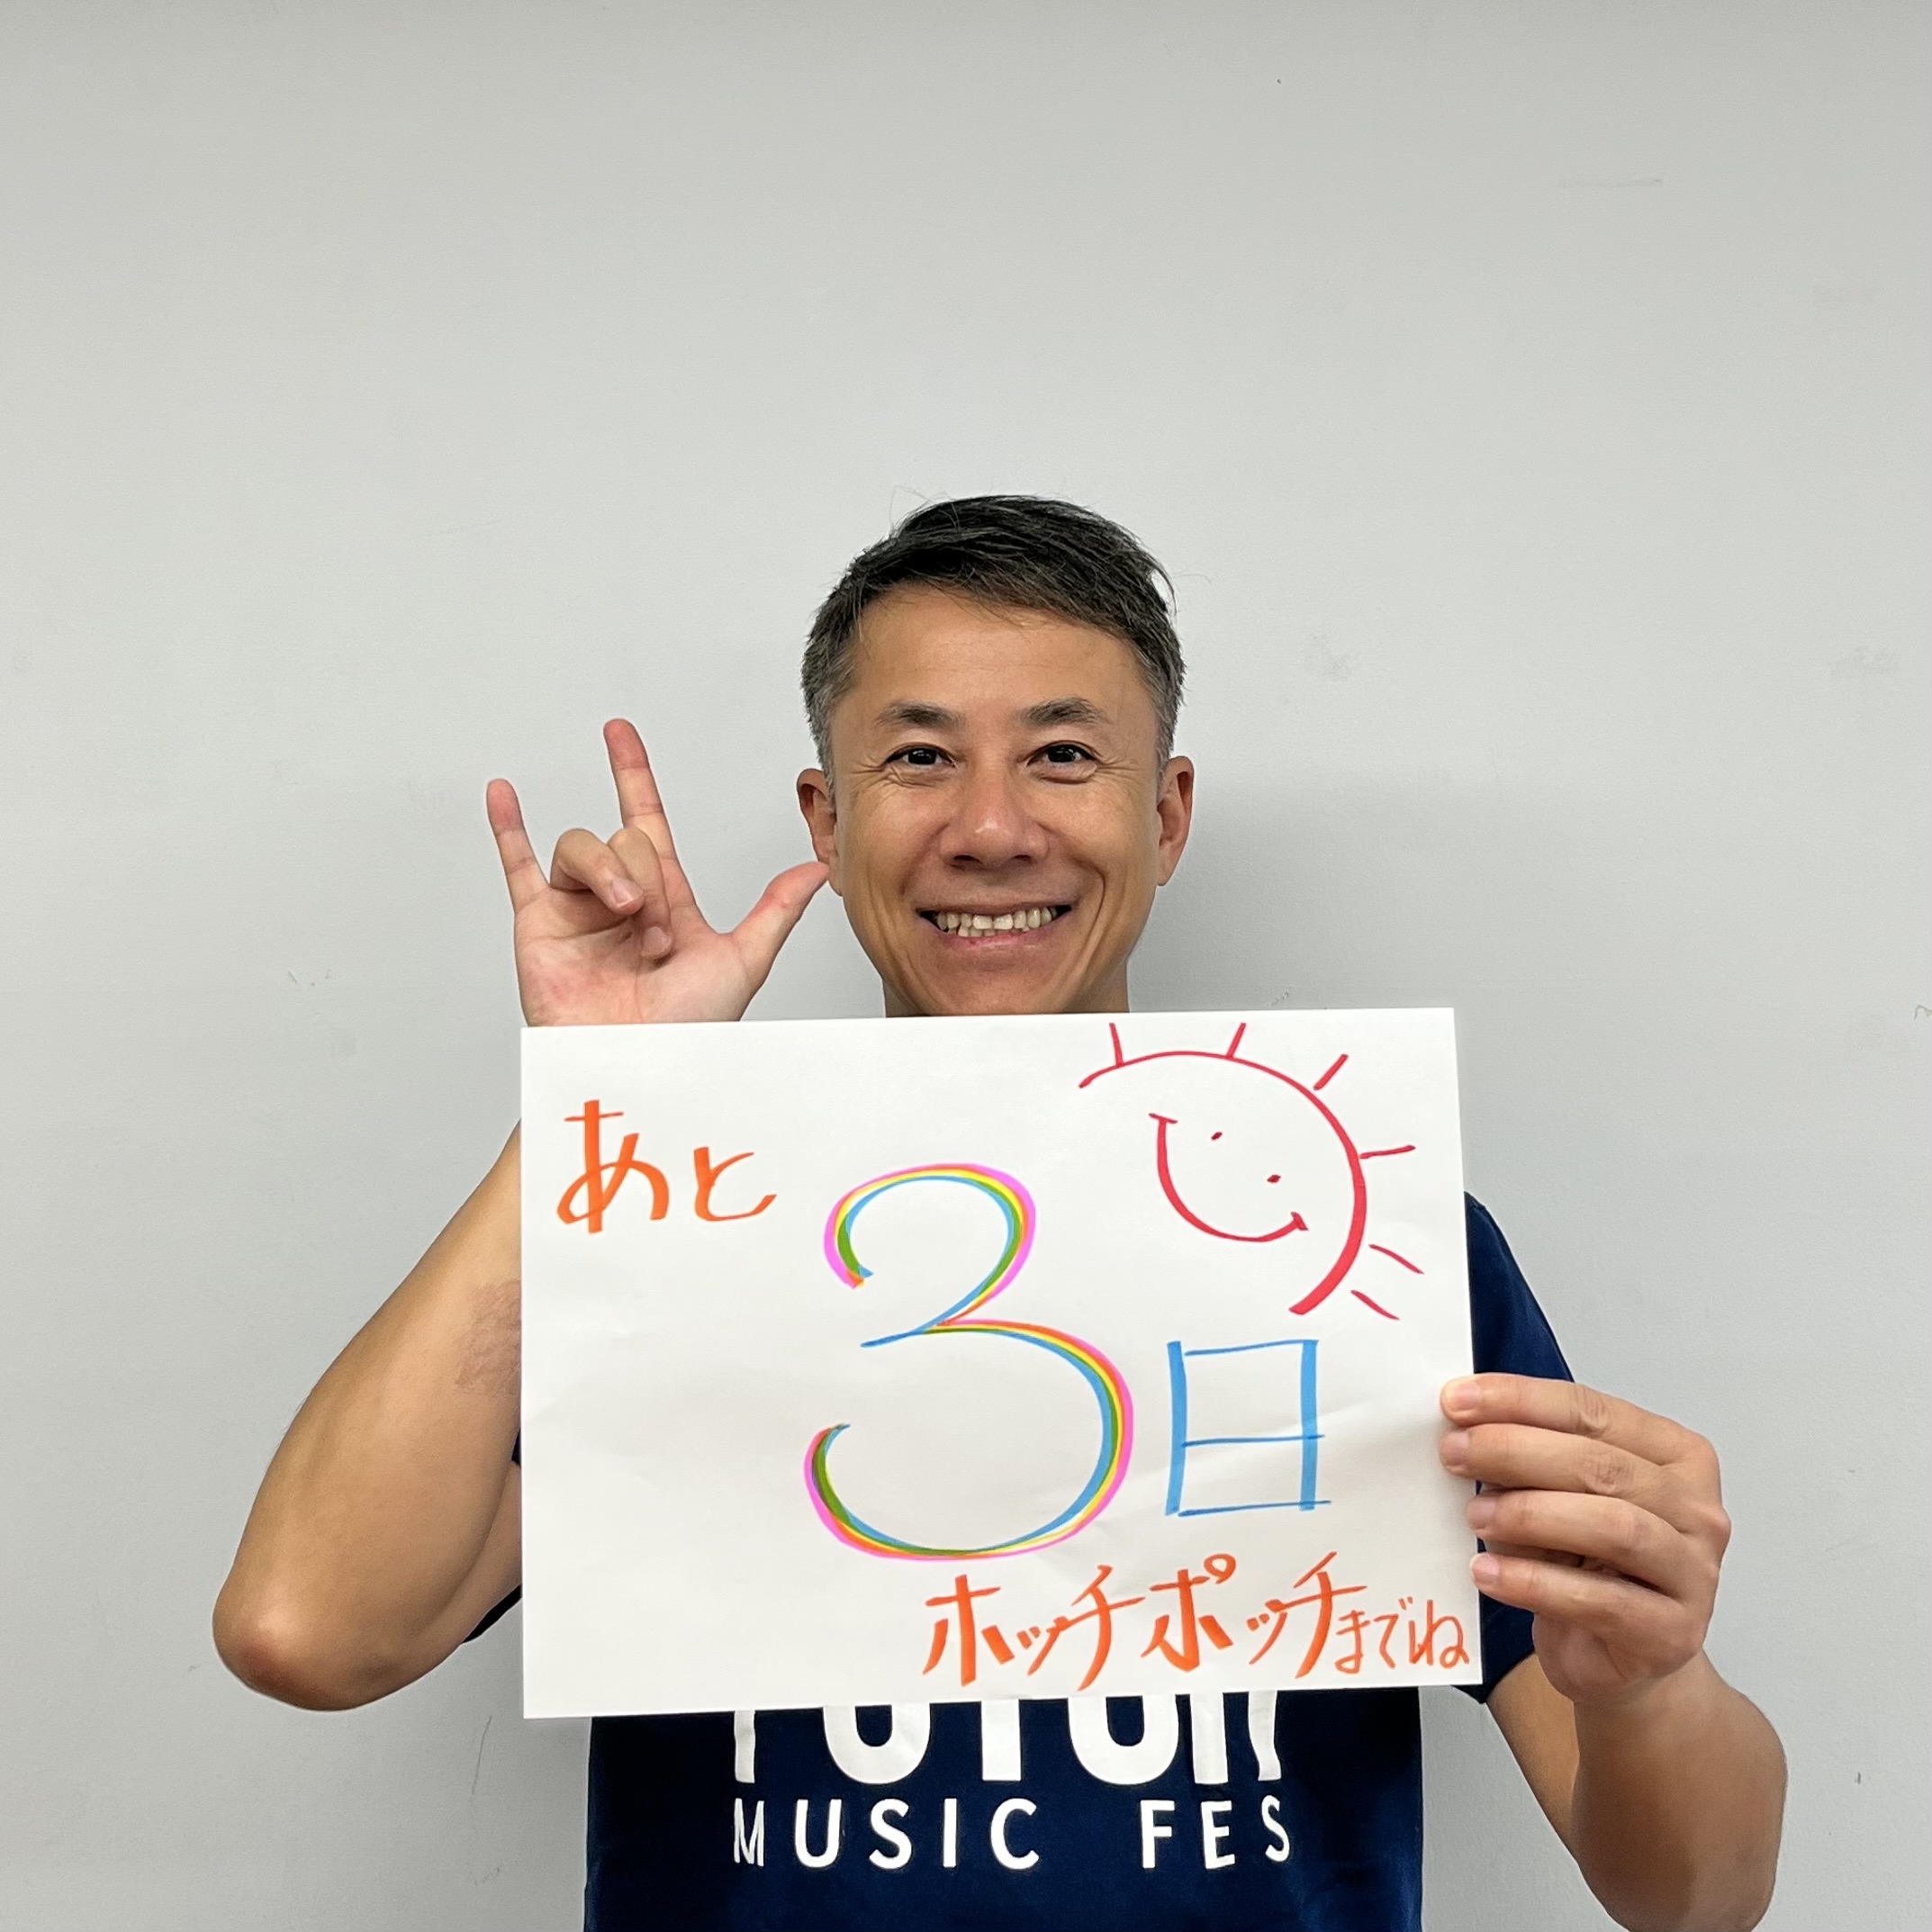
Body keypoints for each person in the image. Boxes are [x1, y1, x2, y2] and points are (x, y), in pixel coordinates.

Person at [215, 497, 1784, 1931]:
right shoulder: (671, 1233)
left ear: (1165, 815)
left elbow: (1694, 1900)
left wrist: (1649, 1683)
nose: (988, 827)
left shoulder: (1368, 1237)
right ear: (824, 823)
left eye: (1061, 755)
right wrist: (598, 1104)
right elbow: (305, 1629)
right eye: (917, 758)